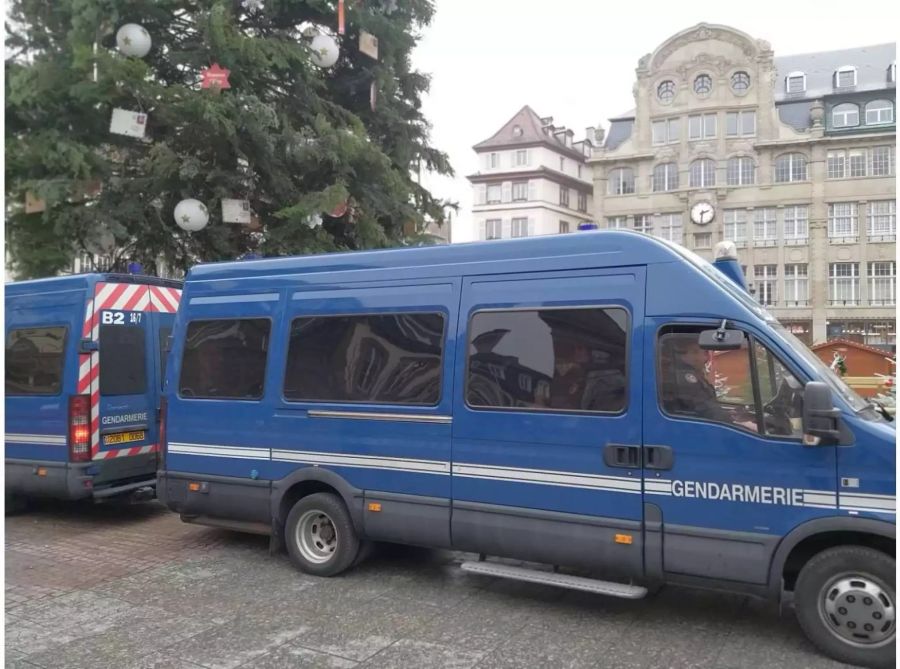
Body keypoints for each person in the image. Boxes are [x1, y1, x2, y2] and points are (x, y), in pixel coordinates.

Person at [662, 336, 757, 431]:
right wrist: (739, 423)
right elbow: (705, 409)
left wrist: (730, 414)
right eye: (704, 353)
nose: (706, 358)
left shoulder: (690, 374)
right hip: (694, 431)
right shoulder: (684, 378)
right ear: (692, 354)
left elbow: (707, 405)